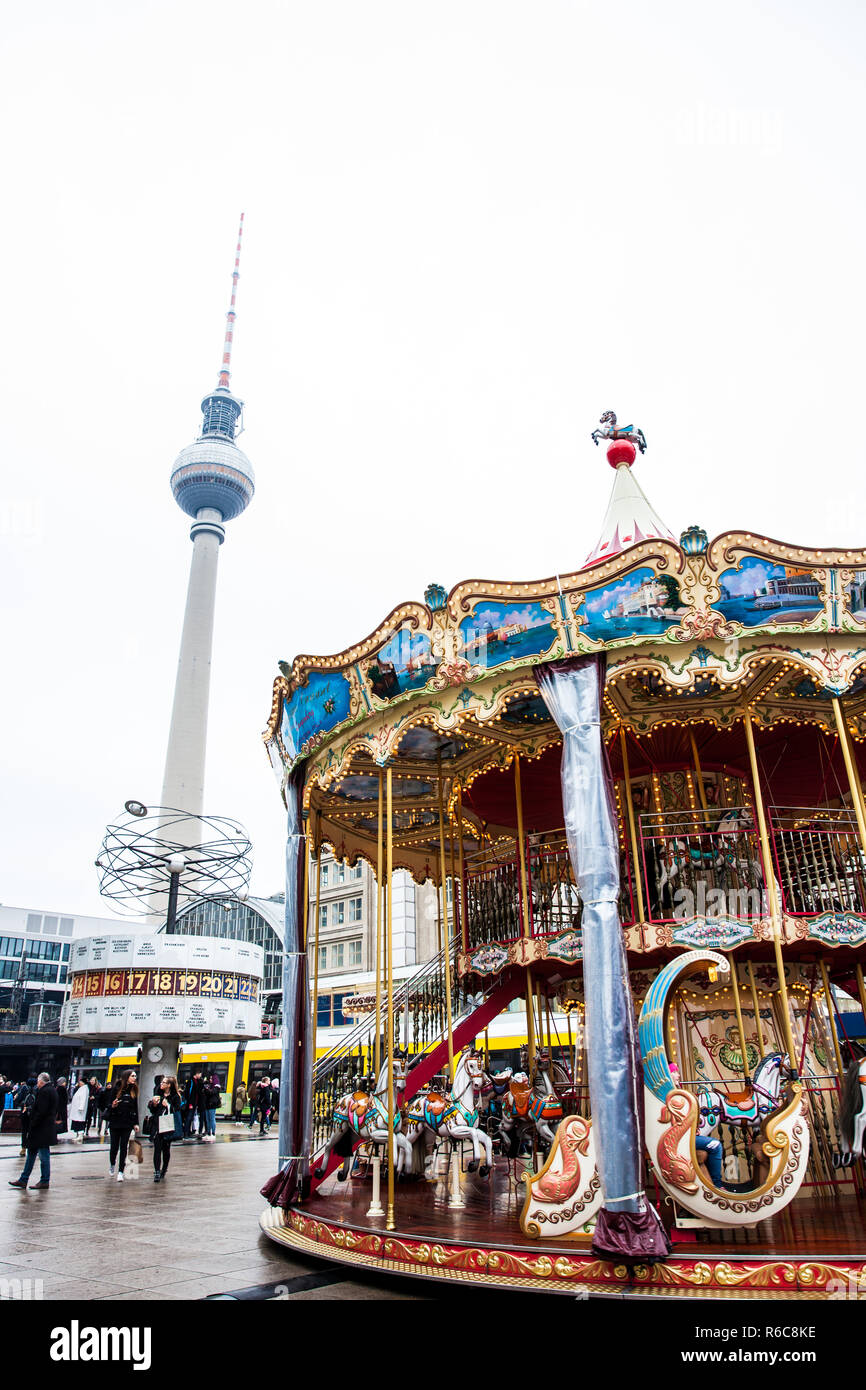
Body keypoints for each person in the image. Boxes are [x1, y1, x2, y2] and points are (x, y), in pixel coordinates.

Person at [8, 1073, 57, 1190]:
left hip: (41, 1129)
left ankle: (44, 1180)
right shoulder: (52, 1090)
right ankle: (23, 1179)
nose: (37, 1084)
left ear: (41, 1081)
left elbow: (41, 1111)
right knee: (31, 1154)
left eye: (38, 1082)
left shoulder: (45, 1091)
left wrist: (33, 1123)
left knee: (44, 1156)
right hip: (43, 1129)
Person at [147, 1076, 182, 1182]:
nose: (161, 1084)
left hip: (168, 1125)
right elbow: (153, 1111)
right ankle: (157, 1171)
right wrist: (153, 1104)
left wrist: (168, 1106)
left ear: (169, 1085)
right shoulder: (158, 1093)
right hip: (157, 1124)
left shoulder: (175, 1096)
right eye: (162, 1082)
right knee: (157, 1149)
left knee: (166, 1149)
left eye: (164, 1082)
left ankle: (164, 1169)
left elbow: (177, 1109)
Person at [107, 1070, 140, 1181]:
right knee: (114, 1147)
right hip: (115, 1122)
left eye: (135, 1076)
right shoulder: (116, 1089)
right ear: (126, 1077)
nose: (134, 1078)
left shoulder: (134, 1090)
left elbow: (135, 1107)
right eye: (132, 1076)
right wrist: (113, 1105)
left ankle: (121, 1171)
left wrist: (136, 1123)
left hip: (127, 1122)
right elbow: (108, 1105)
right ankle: (112, 1164)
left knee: (124, 1147)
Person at [17, 1076, 37, 1158]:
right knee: (33, 1131)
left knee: (24, 1131)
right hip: (33, 1114)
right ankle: (32, 1147)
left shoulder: (24, 1088)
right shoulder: (37, 1090)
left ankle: (23, 1148)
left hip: (24, 1113)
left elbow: (18, 1100)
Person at [182, 1071, 204, 1139]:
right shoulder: (191, 1081)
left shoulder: (196, 1081)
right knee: (189, 1118)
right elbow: (189, 1093)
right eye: (200, 1074)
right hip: (191, 1103)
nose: (200, 1075)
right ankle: (186, 1133)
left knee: (191, 1118)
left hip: (194, 1103)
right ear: (196, 1074)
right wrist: (190, 1103)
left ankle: (189, 1132)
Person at [201, 1074, 220, 1142]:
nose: (210, 1080)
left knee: (211, 1119)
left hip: (212, 1105)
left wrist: (206, 1089)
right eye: (210, 1078)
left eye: (212, 1079)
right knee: (207, 1119)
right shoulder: (210, 1086)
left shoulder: (216, 1087)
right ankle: (208, 1133)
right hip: (207, 1104)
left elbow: (211, 1093)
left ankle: (213, 1133)